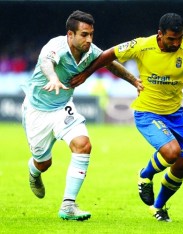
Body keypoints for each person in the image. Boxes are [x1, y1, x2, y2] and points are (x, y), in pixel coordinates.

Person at [70, 12, 183, 222]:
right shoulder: (142, 45)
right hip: (147, 112)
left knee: (181, 166)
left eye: (179, 38)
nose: (176, 43)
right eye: (171, 38)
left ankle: (158, 207)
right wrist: (85, 74)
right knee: (172, 153)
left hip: (175, 114)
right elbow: (109, 54)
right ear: (159, 34)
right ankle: (145, 174)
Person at [22, 10, 143, 221]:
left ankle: (68, 205)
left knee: (83, 144)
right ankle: (34, 170)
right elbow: (46, 63)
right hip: (37, 111)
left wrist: (135, 81)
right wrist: (52, 78)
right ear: (70, 35)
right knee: (44, 163)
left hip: (63, 108)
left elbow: (110, 63)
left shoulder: (90, 51)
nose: (89, 39)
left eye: (91, 34)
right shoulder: (55, 46)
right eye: (84, 34)